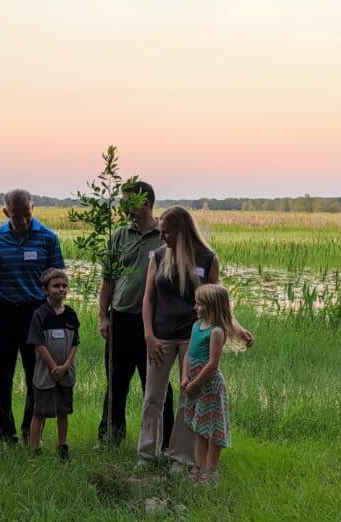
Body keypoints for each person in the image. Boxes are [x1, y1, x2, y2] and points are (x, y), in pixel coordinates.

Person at [137, 205, 253, 469]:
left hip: (194, 337)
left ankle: (180, 456)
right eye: (160, 232)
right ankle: (146, 455)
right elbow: (148, 298)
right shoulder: (157, 256)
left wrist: (237, 328)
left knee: (188, 396)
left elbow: (218, 301)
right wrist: (149, 335)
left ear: (182, 229)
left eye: (166, 232)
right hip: (160, 337)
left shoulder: (207, 258)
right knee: (152, 397)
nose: (162, 237)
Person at [97, 181, 174, 448]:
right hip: (121, 318)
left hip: (154, 325)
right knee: (115, 383)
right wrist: (103, 315)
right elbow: (108, 279)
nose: (124, 207)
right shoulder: (119, 236)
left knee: (156, 386)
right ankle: (110, 438)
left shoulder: (164, 235)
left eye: (129, 202)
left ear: (146, 202)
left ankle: (164, 443)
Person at [0, 189, 65, 447]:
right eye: (16, 216)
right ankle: (5, 434)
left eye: (26, 215)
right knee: (2, 375)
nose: (22, 221)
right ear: (5, 212)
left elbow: (58, 277)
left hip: (36, 312)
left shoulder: (47, 237)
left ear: (33, 208)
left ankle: (30, 431)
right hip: (6, 310)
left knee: (37, 375)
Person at [182, 284, 237, 484]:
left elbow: (213, 364)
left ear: (212, 306)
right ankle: (199, 465)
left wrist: (195, 384)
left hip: (209, 387)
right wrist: (184, 378)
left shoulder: (216, 332)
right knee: (199, 427)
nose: (195, 307)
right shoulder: (196, 326)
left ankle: (210, 471)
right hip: (194, 385)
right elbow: (188, 353)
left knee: (213, 428)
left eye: (199, 304)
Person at [27, 268, 79, 462]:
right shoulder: (40, 314)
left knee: (63, 411)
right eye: (56, 286)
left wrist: (65, 366)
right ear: (46, 290)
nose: (61, 289)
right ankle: (34, 449)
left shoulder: (71, 314)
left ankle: (62, 447)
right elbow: (38, 344)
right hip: (45, 371)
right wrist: (52, 366)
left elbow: (75, 343)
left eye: (64, 286)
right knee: (39, 411)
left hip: (65, 372)